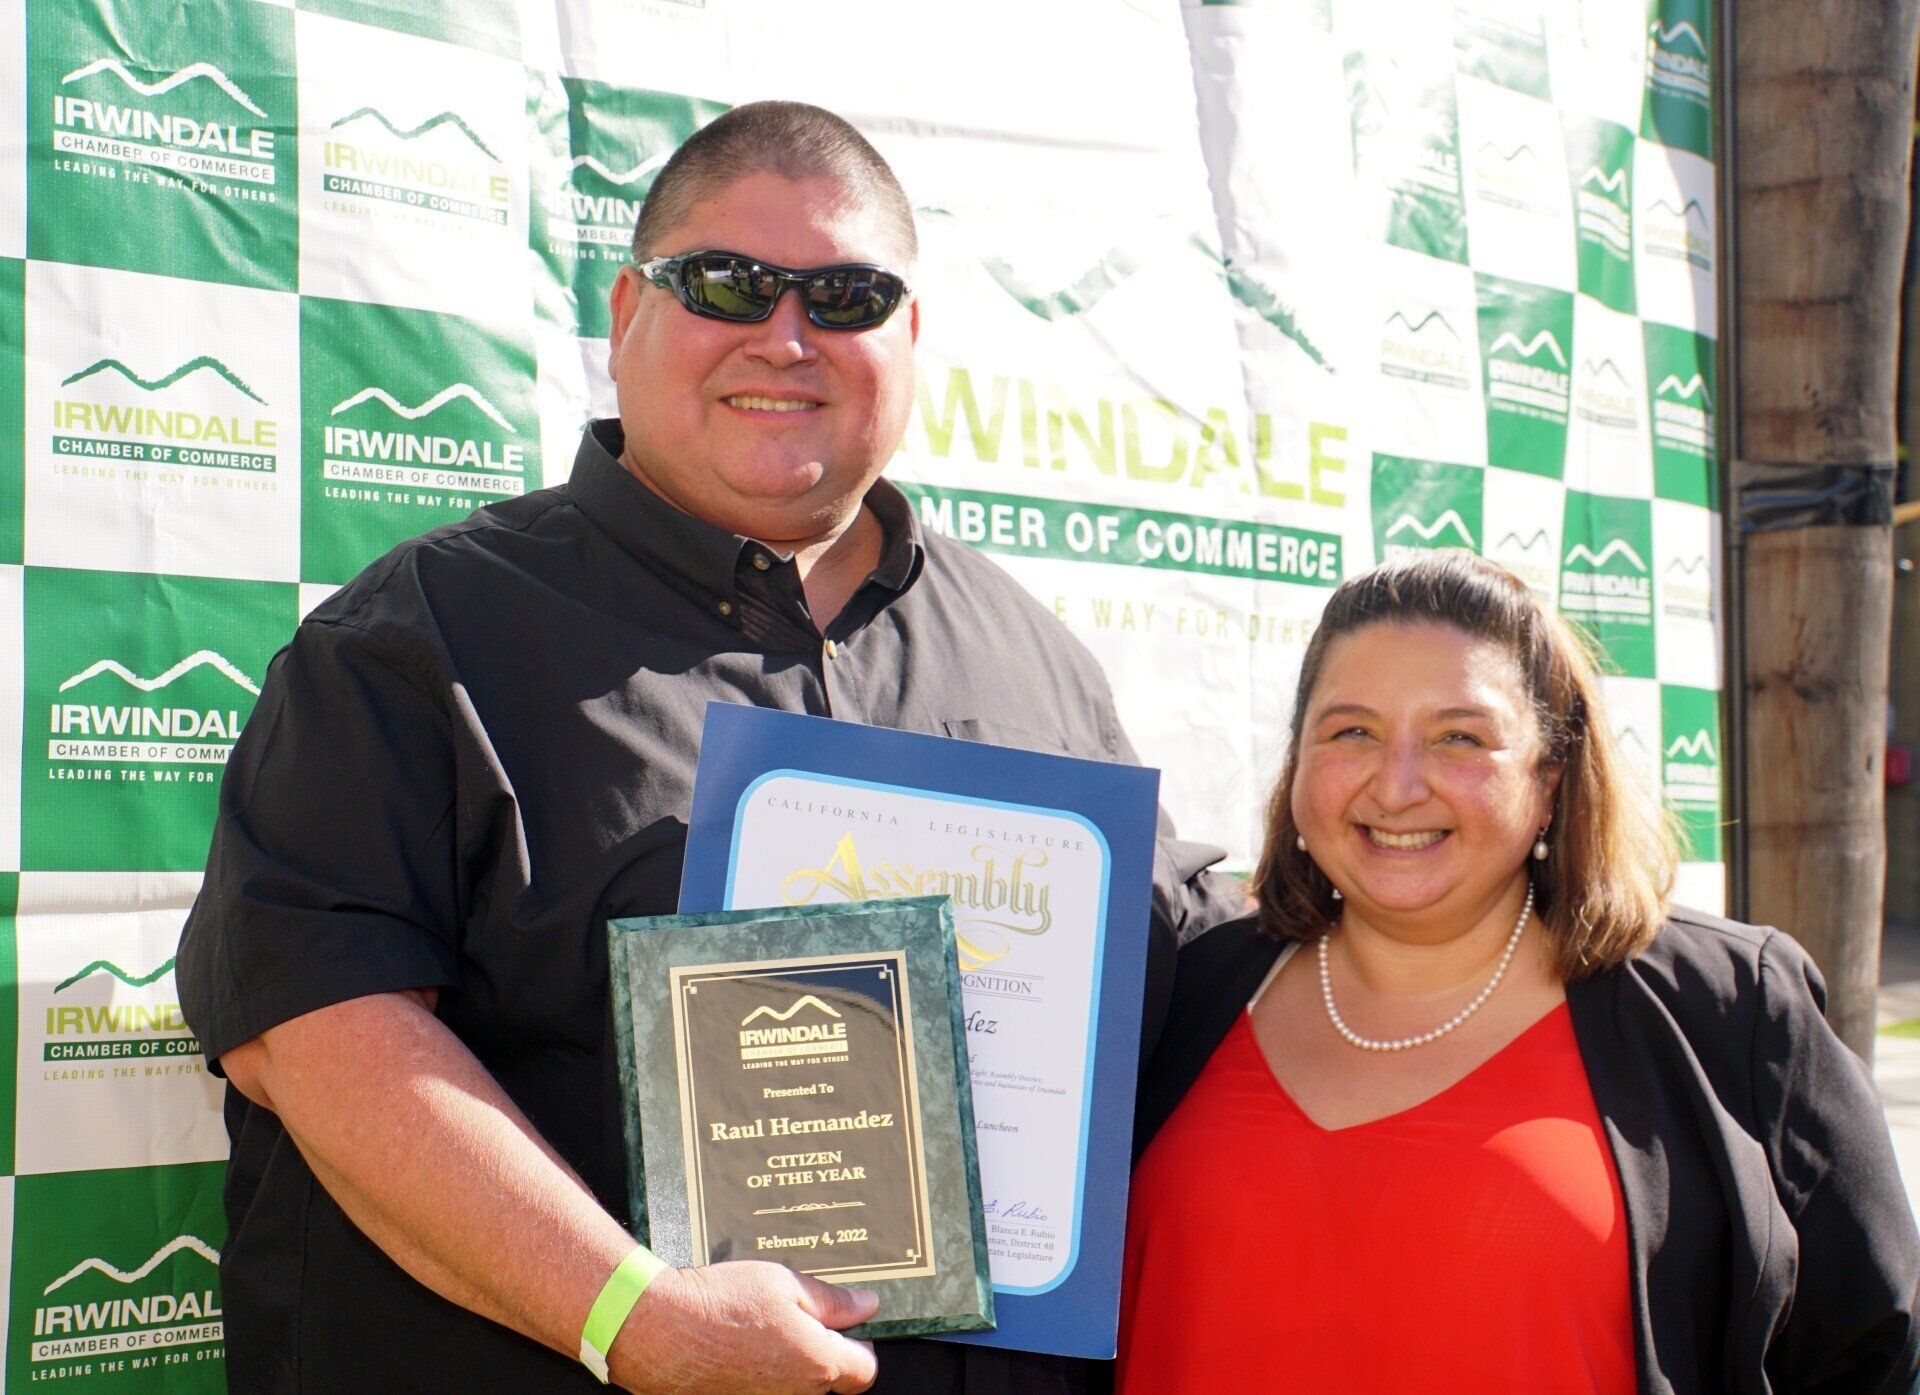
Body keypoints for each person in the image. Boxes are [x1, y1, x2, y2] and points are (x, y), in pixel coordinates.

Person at [177, 101, 1237, 1395]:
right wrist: (630, 1309)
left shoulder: (1036, 657)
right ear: (628, 311)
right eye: (727, 282)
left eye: (846, 294)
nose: (785, 335)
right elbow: (312, 1028)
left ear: (909, 336)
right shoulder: (422, 637)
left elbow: (1184, 983)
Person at [1117, 552, 1920, 1393]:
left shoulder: (1728, 1013)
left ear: (1550, 778)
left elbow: (1870, 1350)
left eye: (1459, 737)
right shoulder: (1181, 984)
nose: (1397, 786)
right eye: (1351, 730)